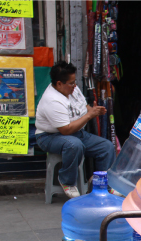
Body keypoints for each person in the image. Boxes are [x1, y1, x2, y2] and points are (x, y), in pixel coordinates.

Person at [35, 61, 116, 198]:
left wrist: (94, 111)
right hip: (49, 136)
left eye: (74, 82)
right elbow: (65, 130)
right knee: (74, 145)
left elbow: (85, 108)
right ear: (59, 83)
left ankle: (102, 184)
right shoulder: (53, 100)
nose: (75, 86)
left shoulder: (73, 89)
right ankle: (67, 181)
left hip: (77, 132)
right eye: (71, 83)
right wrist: (90, 115)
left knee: (106, 147)